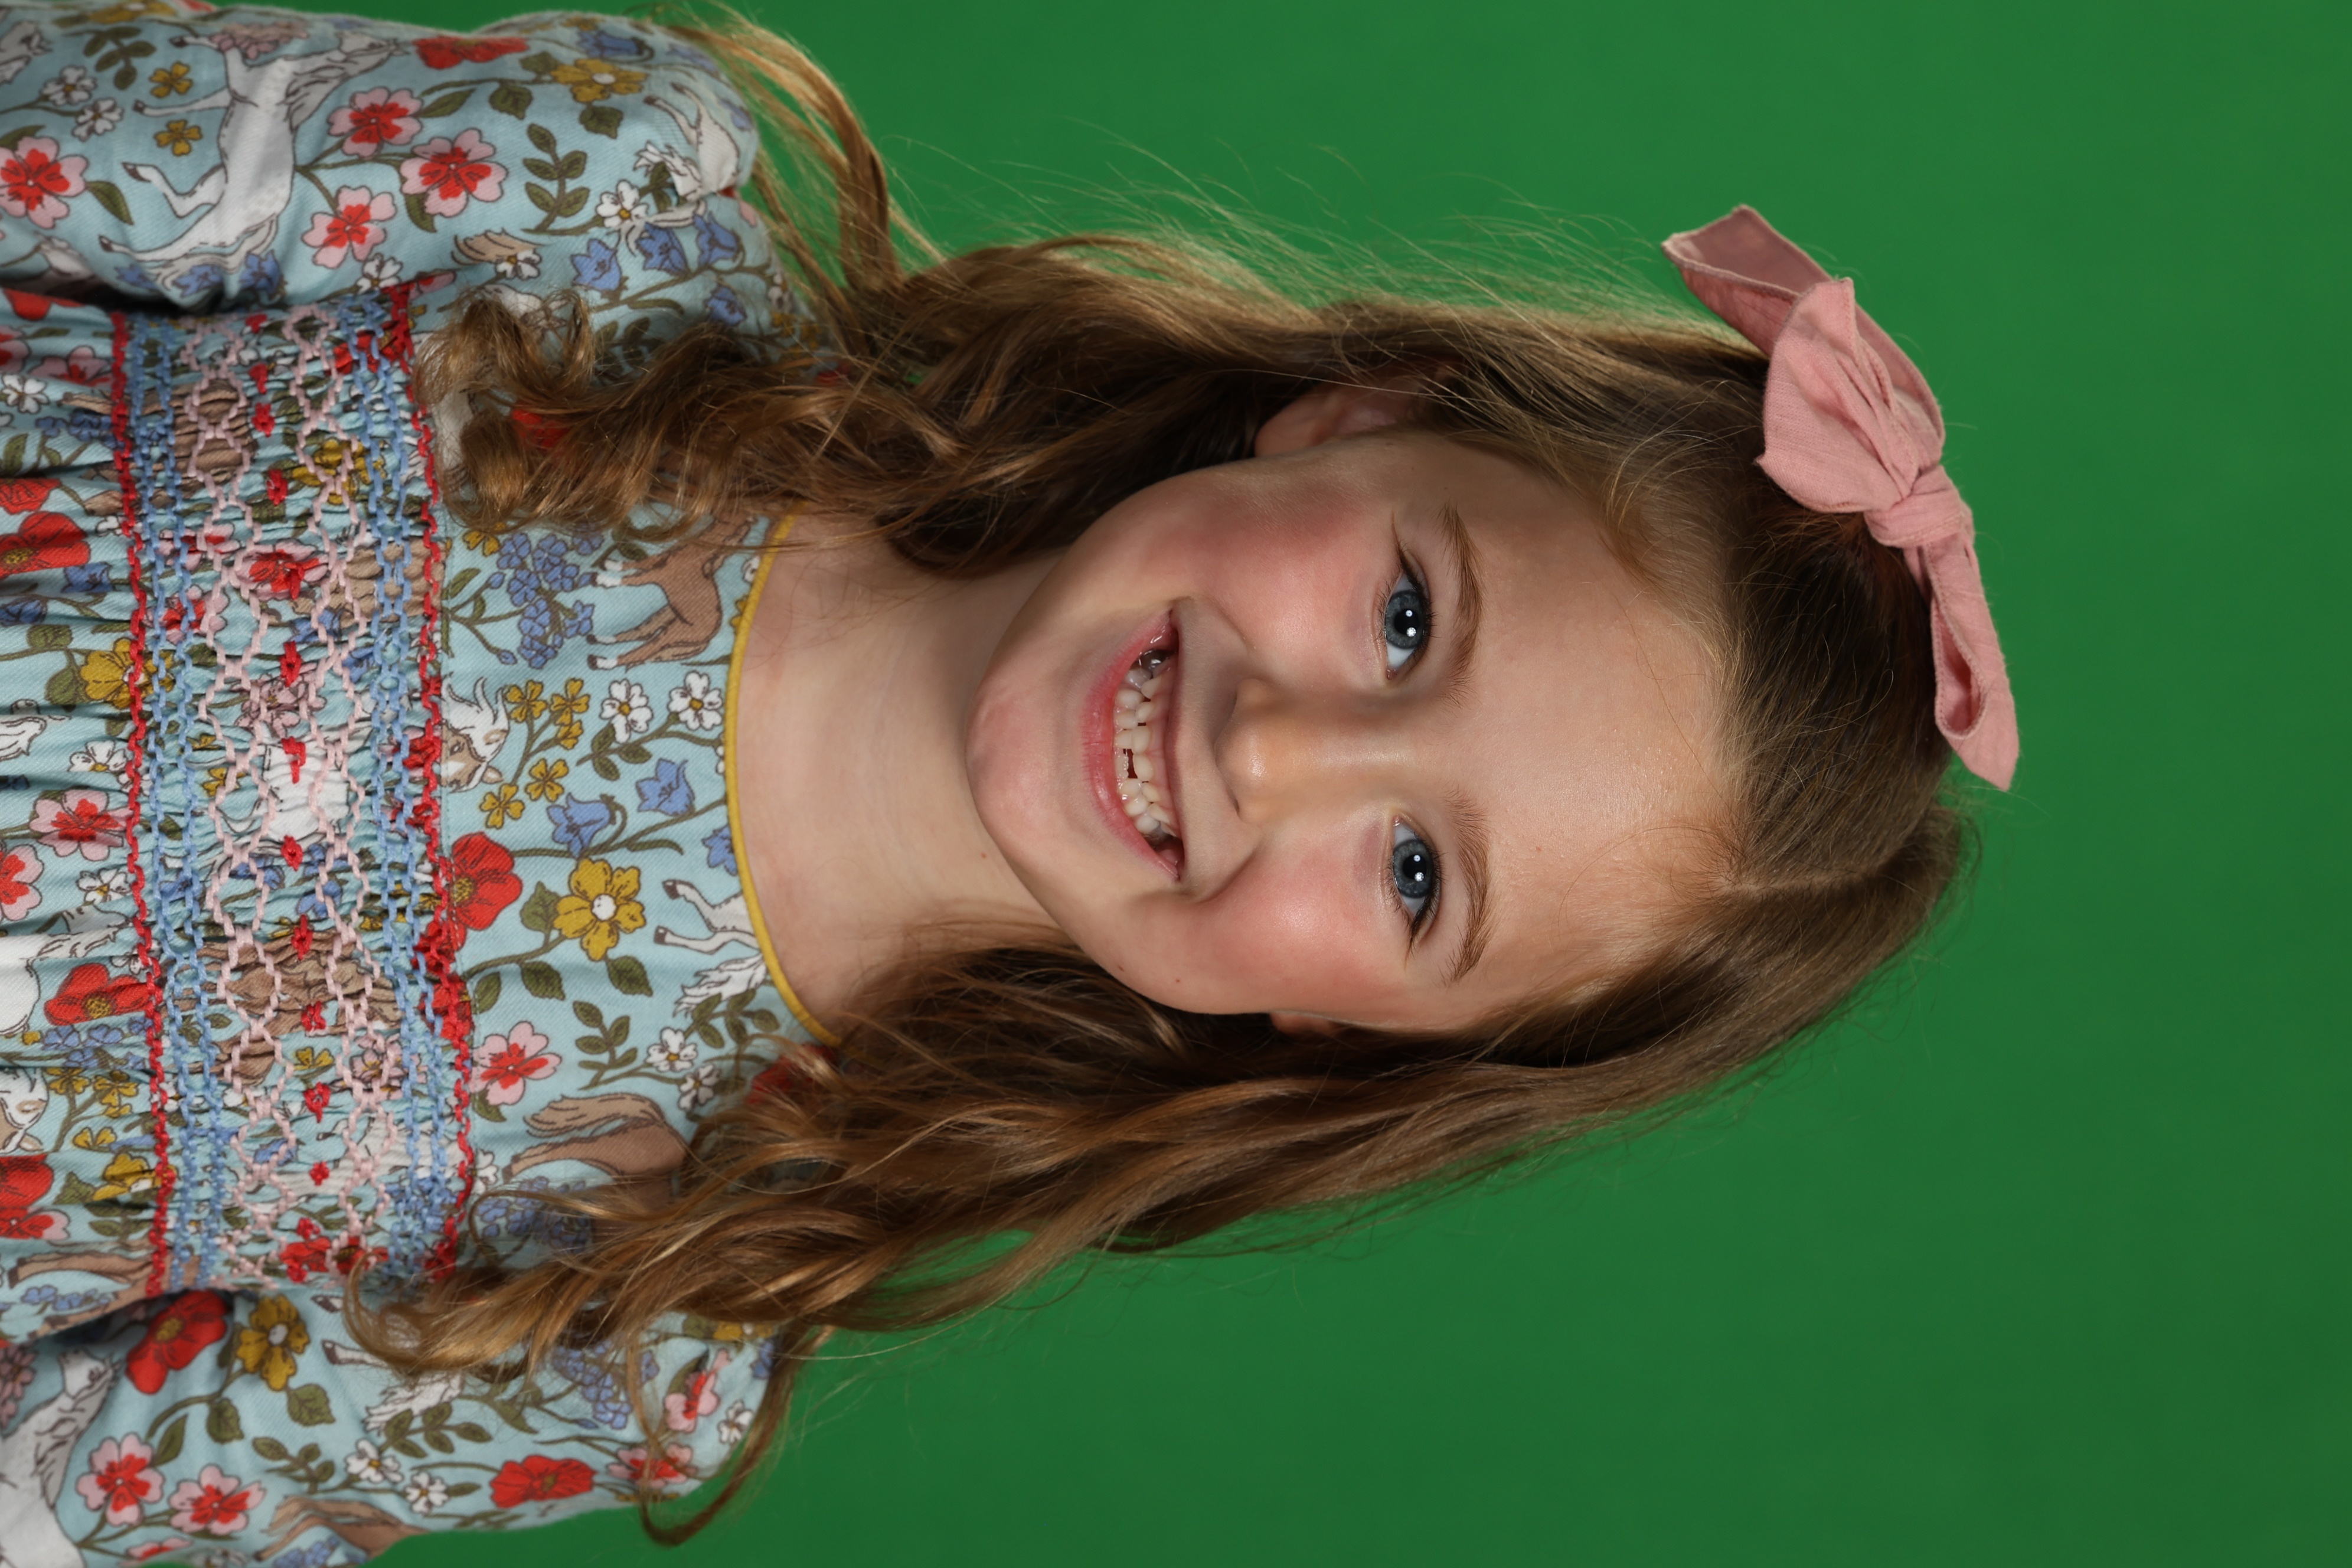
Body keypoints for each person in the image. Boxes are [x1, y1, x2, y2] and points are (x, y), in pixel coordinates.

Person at [0, 2, 2017, 1560]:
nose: (1272, 750)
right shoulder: (595, 193)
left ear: (1353, 1035)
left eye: (1416, 877)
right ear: (1358, 415)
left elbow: (56, 1487)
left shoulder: (632, 1321)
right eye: (1408, 618)